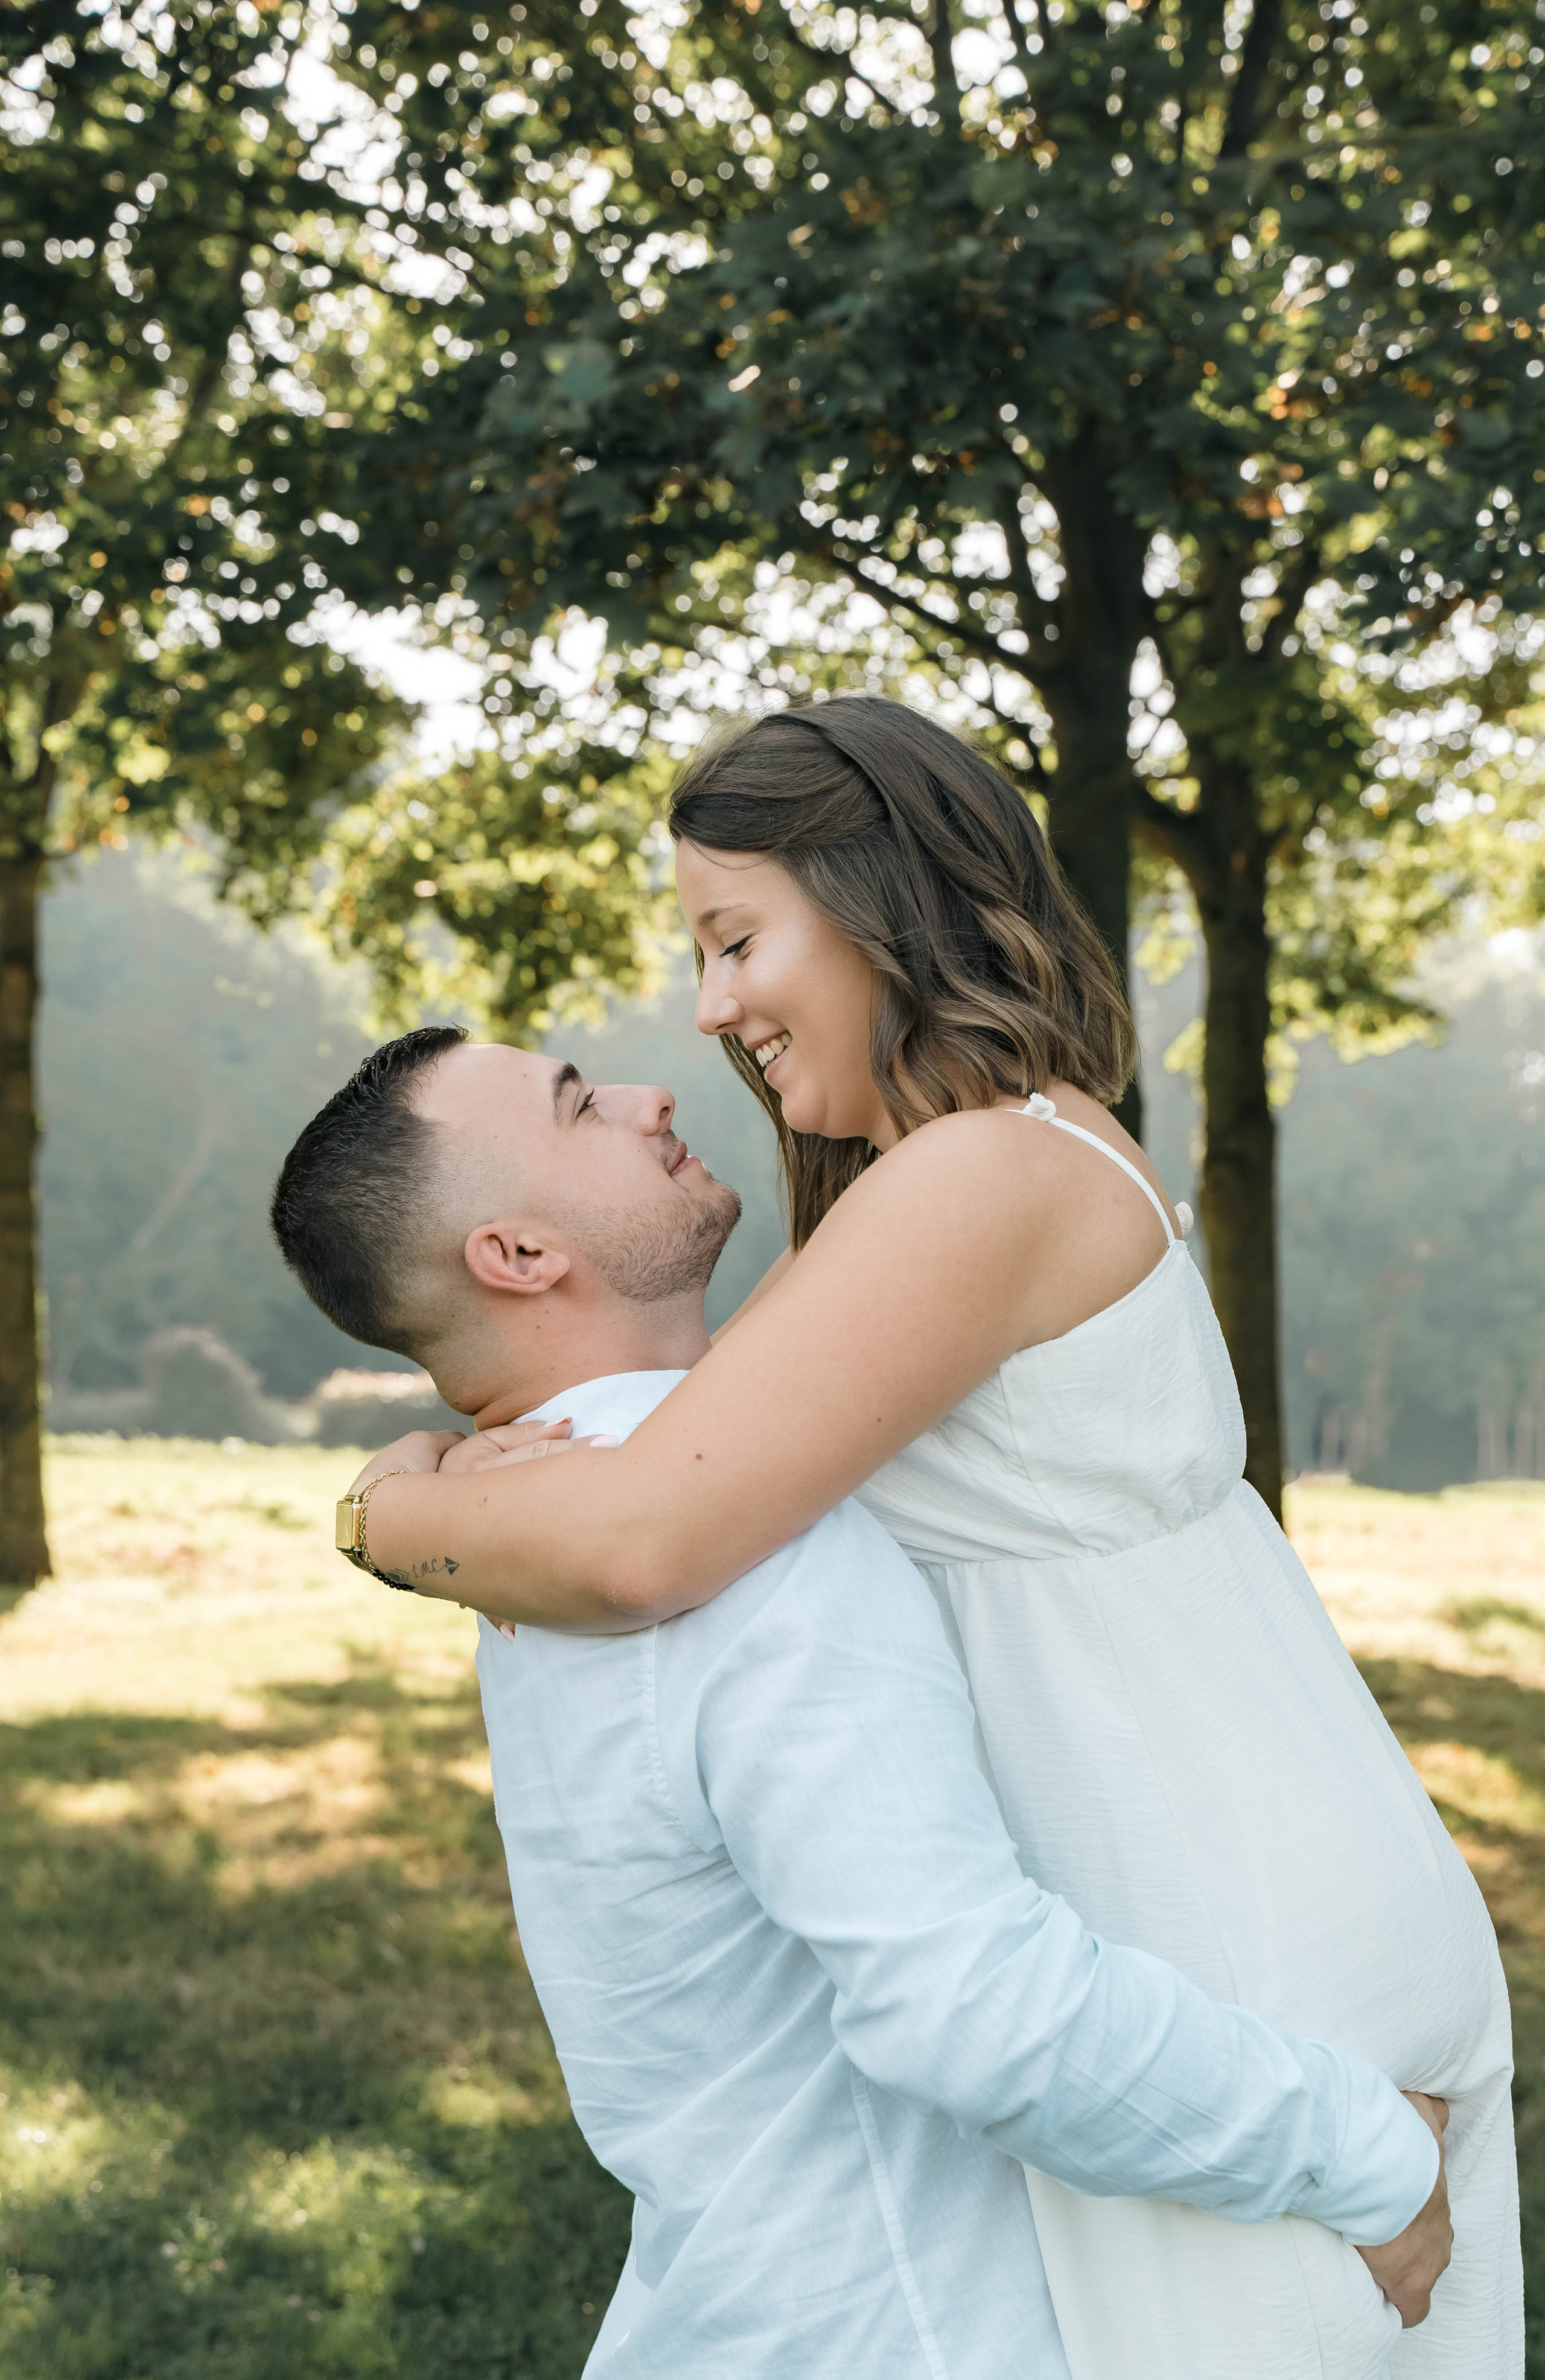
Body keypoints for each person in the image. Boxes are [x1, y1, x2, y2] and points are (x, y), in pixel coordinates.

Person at [318, 699, 1520, 2377]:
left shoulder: (980, 1177)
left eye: (738, 939)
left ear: (879, 896)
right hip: (1182, 1915)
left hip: (1234, 1931)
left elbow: (646, 1537)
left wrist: (390, 1511)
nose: (711, 1003)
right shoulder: (933, 1183)